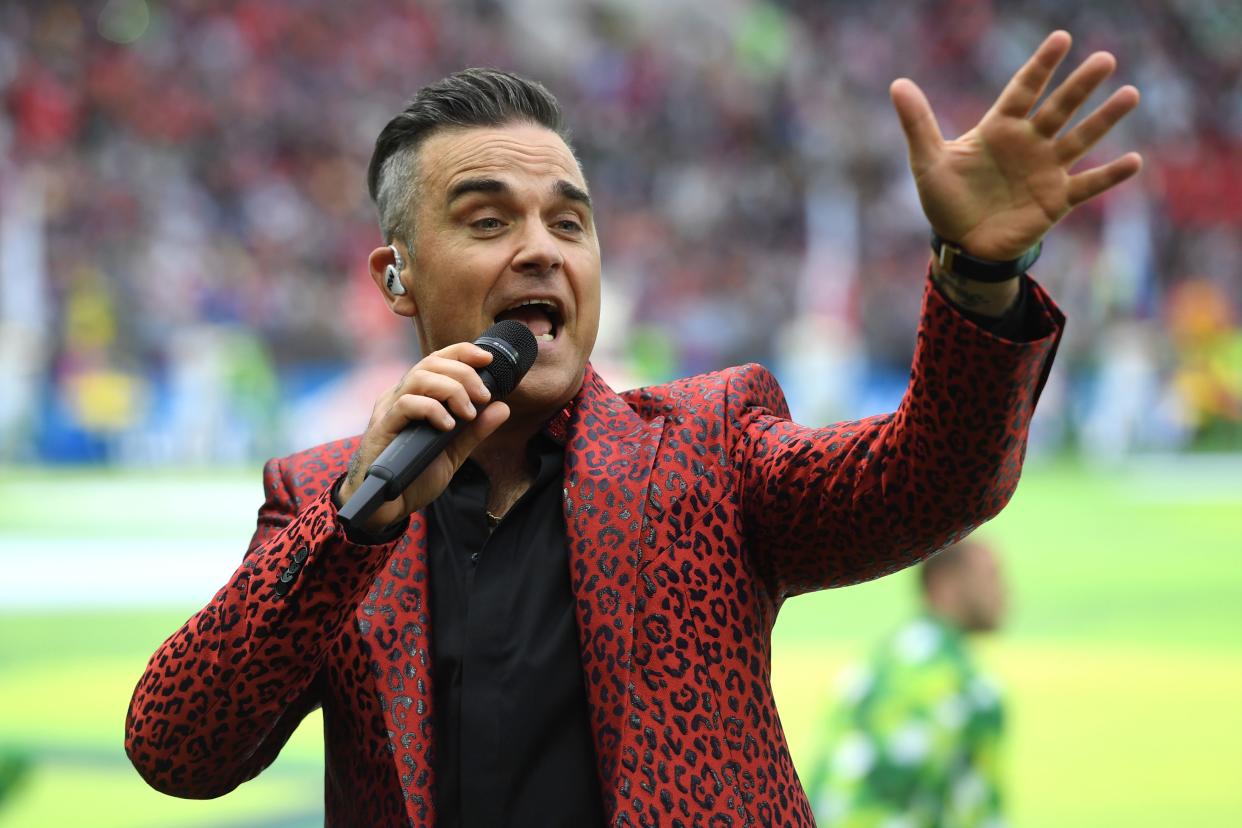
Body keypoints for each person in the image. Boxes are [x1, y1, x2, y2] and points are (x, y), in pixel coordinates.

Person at [125, 31, 1140, 827]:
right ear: (396, 277)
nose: (540, 251)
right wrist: (354, 529)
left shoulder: (707, 446)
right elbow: (177, 747)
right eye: (487, 221)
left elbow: (936, 479)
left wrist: (979, 277)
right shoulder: (329, 502)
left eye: (569, 223)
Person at [806, 540, 1009, 827]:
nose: (1005, 592)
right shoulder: (972, 690)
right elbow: (979, 811)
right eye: (991, 576)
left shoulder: (875, 663)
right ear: (945, 584)